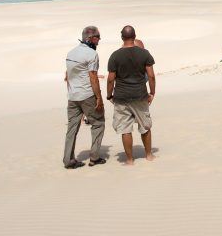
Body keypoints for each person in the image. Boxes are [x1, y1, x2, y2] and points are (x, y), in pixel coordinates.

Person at [106, 25, 156, 165]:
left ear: (122, 37)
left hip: (121, 96)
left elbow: (111, 79)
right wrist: (152, 92)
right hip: (140, 95)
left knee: (125, 129)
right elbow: (151, 76)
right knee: (145, 126)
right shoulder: (144, 53)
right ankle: (149, 155)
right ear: (134, 36)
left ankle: (129, 160)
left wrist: (109, 95)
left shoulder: (115, 55)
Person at [63, 26, 106, 169]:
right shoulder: (91, 54)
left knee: (72, 128)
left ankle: (68, 160)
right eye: (98, 37)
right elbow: (93, 77)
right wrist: (98, 98)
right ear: (90, 38)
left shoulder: (71, 53)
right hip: (87, 95)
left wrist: (71, 93)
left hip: (73, 96)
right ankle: (94, 157)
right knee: (98, 123)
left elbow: (67, 76)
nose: (99, 40)